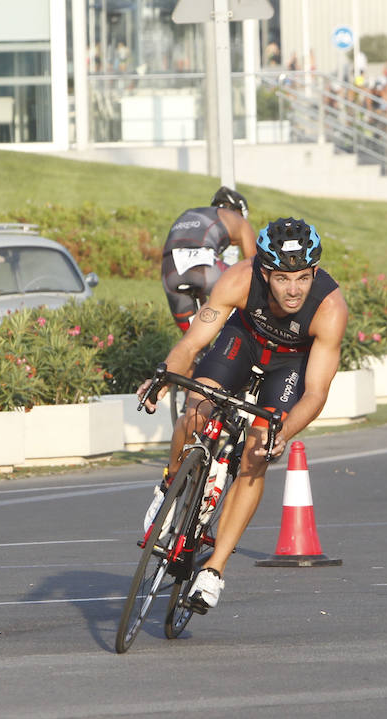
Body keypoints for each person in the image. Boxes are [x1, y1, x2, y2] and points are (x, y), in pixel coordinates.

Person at [138, 218, 349, 613]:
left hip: (290, 367)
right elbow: (193, 341)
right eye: (283, 279)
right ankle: (169, 487)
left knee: (256, 452)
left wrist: (280, 431)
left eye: (303, 278)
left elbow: (317, 391)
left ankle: (213, 571)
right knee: (197, 409)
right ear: (265, 271)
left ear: (315, 273)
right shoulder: (238, 279)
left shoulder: (330, 309)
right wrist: (164, 375)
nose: (293, 290)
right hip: (243, 341)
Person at [161, 187, 257, 333]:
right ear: (240, 212)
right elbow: (254, 268)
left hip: (170, 270)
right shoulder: (238, 220)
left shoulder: (193, 213)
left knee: (191, 345)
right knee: (254, 292)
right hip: (204, 268)